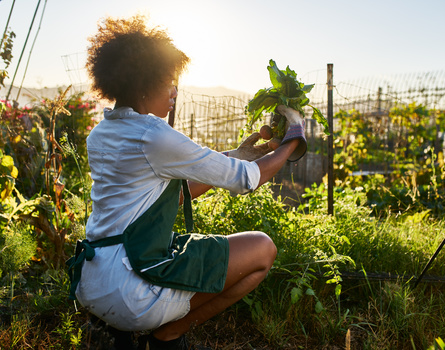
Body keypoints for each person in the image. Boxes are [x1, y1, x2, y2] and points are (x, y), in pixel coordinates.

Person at [66, 15, 307, 350]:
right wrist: (293, 140)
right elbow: (247, 180)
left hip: (93, 281)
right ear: (142, 85)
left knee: (191, 245)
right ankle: (168, 334)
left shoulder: (103, 132)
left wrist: (236, 153)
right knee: (263, 249)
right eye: (168, 82)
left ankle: (120, 330)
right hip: (131, 288)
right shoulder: (152, 134)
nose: (174, 91)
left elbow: (168, 195)